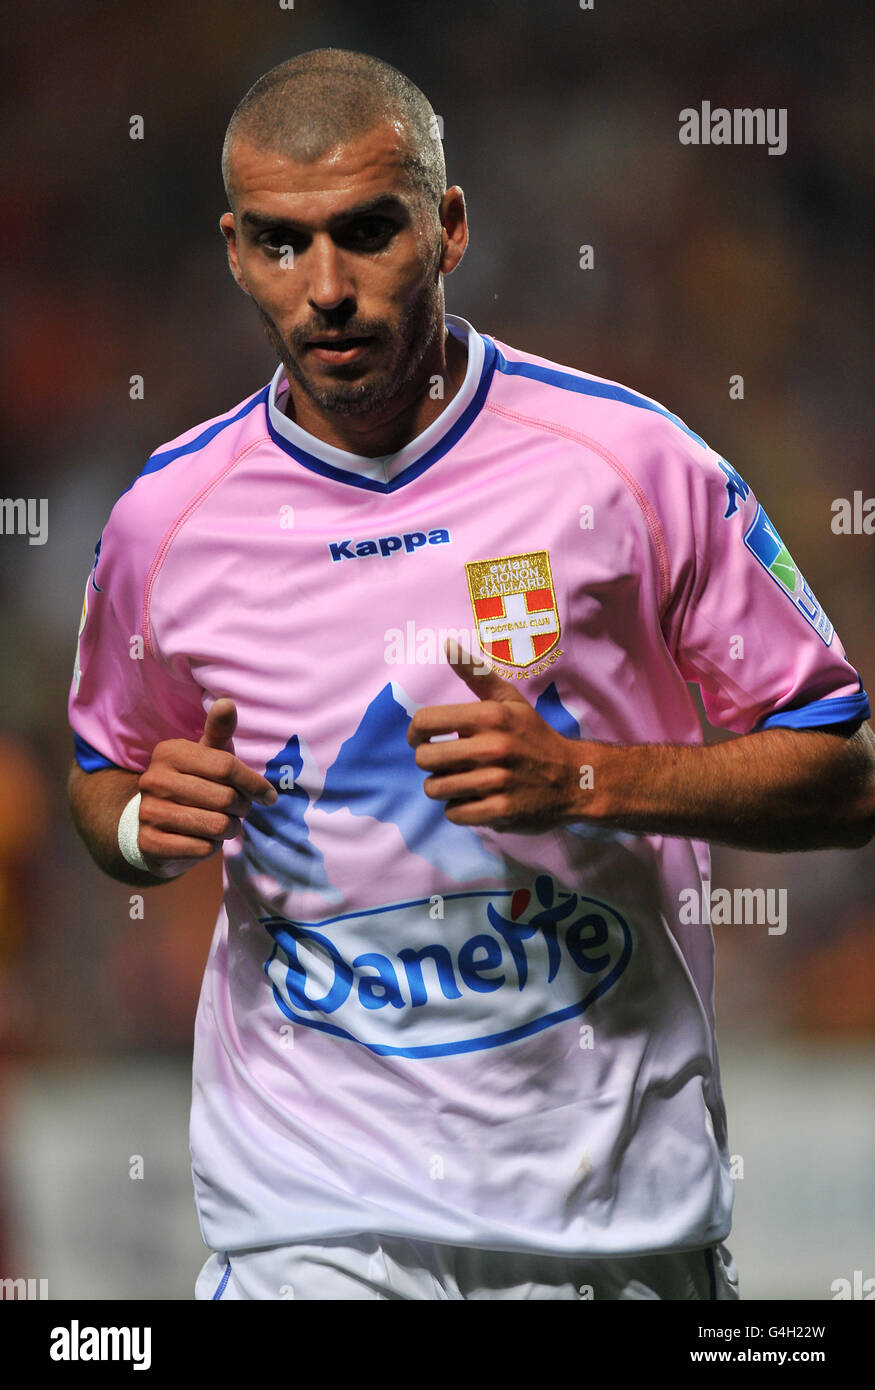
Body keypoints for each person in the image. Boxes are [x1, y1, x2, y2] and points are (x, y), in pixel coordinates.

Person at [67, 48, 874, 1301]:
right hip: (309, 1234)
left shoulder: (630, 464)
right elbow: (101, 770)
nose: (323, 288)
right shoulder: (164, 520)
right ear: (233, 250)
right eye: (280, 244)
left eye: (366, 234)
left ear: (447, 227)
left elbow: (844, 771)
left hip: (614, 1229)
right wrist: (133, 823)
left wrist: (591, 778)